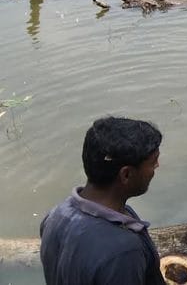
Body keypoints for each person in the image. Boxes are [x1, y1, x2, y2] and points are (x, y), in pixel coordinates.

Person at [39, 117, 165, 285]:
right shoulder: (124, 252)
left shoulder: (55, 215)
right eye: (152, 161)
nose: (156, 166)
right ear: (126, 174)